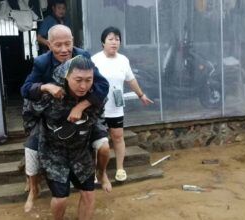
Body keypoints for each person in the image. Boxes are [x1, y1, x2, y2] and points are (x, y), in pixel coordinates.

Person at [21, 24, 112, 213]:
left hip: (84, 114)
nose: (64, 49)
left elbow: (103, 86)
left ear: (73, 42)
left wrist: (81, 105)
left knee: (103, 146)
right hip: (52, 111)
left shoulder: (83, 58)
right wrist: (45, 87)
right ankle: (33, 187)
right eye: (58, 45)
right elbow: (26, 91)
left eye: (68, 44)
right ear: (48, 44)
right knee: (31, 146)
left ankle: (102, 174)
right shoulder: (42, 63)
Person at [91, 26, 153, 182]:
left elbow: (131, 80)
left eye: (117, 39)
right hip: (98, 108)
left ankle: (120, 168)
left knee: (118, 137)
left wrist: (141, 95)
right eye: (110, 39)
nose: (114, 42)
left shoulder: (123, 60)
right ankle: (95, 172)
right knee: (98, 140)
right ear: (103, 42)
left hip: (116, 106)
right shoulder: (94, 60)